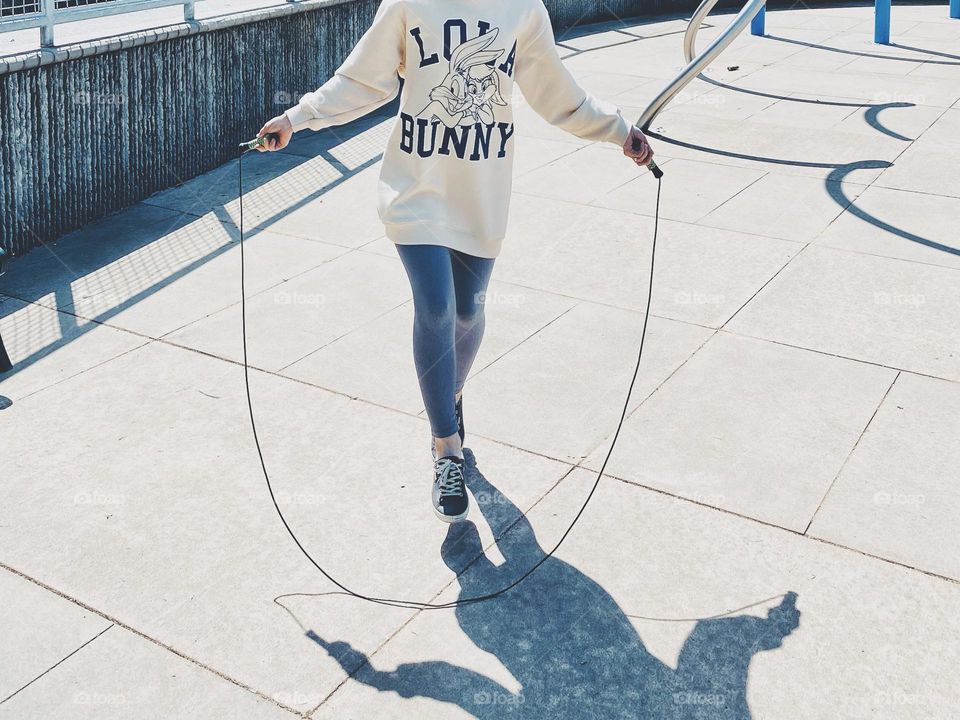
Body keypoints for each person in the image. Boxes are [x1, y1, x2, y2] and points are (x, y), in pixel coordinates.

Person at [257, 0, 654, 523]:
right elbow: (363, 79)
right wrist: (298, 116)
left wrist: (619, 130)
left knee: (468, 311)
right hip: (415, 193)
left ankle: (450, 394)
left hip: (480, 198)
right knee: (438, 308)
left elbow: (557, 94)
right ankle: (447, 449)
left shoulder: (522, 9)